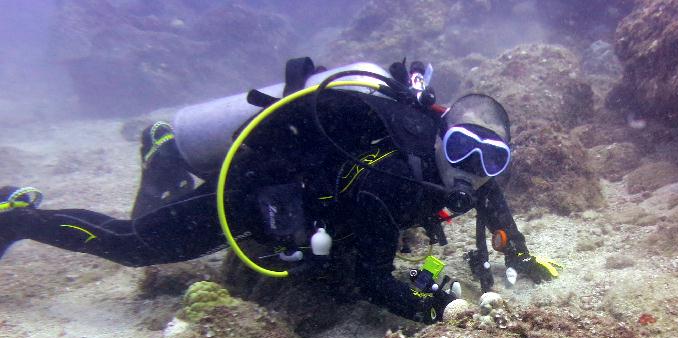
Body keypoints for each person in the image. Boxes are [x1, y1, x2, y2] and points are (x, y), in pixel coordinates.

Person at [0, 58, 561, 323]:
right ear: (438, 138)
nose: (472, 170)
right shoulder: (386, 181)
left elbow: (490, 197)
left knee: (152, 227)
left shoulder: (469, 174)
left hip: (317, 200)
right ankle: (17, 215)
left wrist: (520, 254)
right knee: (137, 244)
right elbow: (371, 281)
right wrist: (437, 308)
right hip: (255, 194)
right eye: (461, 150)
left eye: (491, 159)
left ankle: (162, 155)